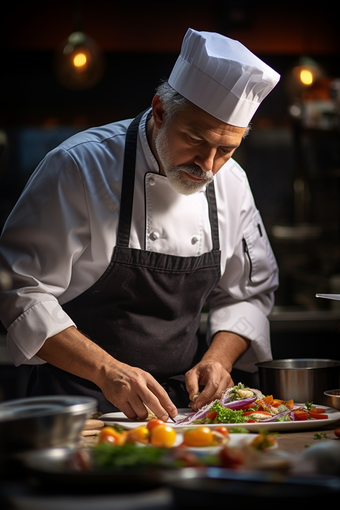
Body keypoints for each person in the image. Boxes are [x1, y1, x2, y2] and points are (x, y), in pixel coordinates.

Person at [0, 28, 280, 421]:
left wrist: (219, 357)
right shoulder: (79, 167)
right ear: (161, 110)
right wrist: (106, 370)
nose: (207, 165)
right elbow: (20, 292)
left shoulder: (232, 184)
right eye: (195, 139)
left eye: (226, 150)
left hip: (182, 413)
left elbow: (248, 293)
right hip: (78, 407)